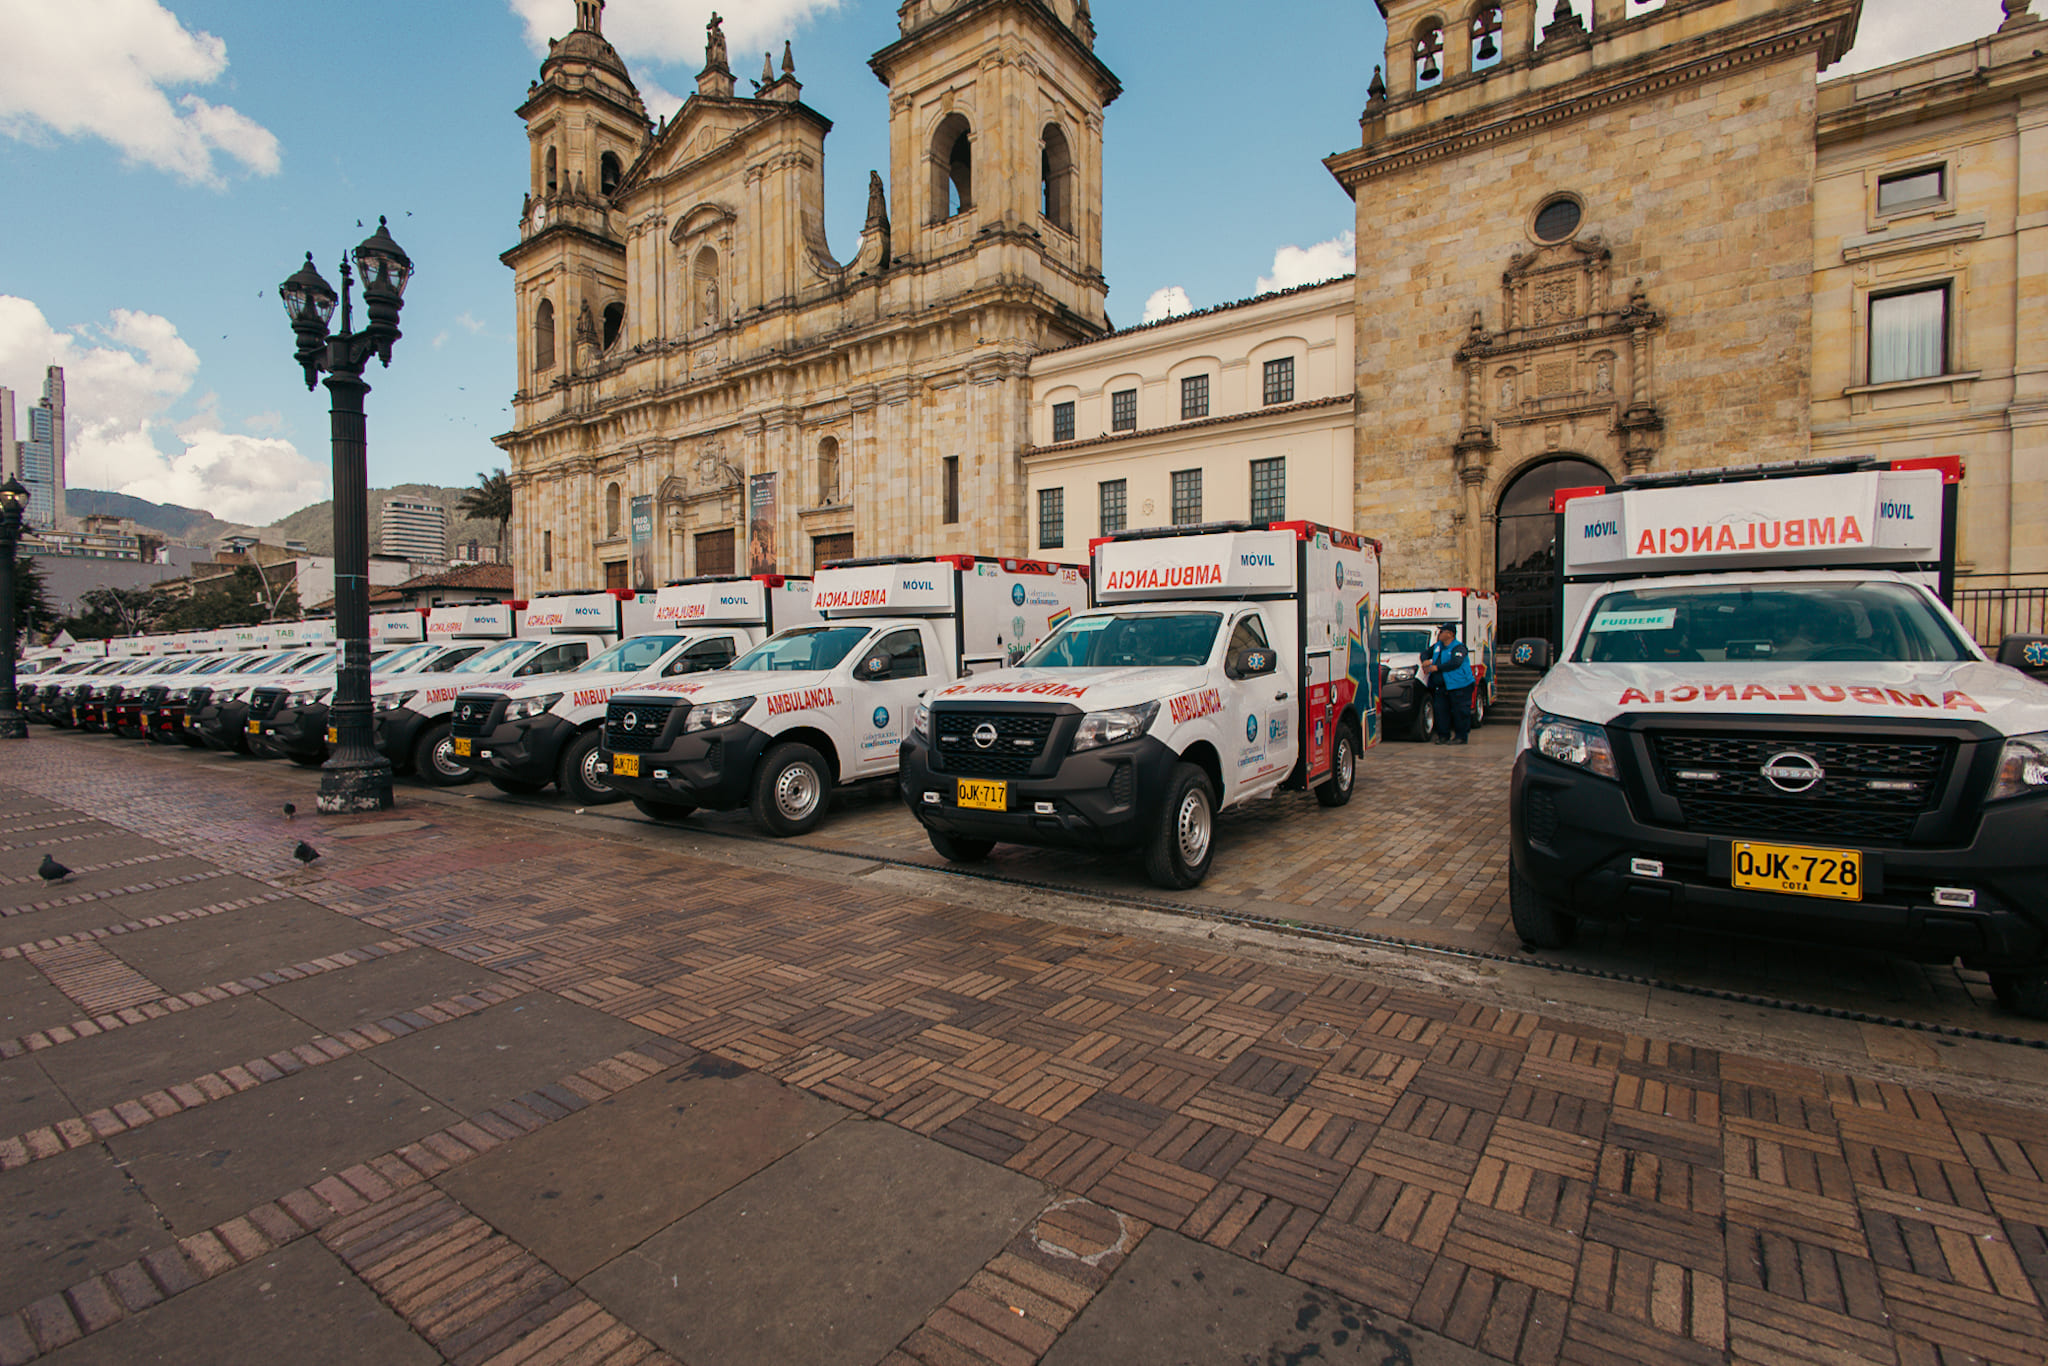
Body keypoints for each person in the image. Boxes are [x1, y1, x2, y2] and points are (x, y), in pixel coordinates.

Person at [1420, 622, 1476, 745]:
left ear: (1450, 634)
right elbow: (1425, 653)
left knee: (1460, 712)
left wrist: (1437, 667)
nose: (1439, 634)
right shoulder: (1437, 646)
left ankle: (1461, 737)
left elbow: (1455, 663)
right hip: (1441, 686)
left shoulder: (1459, 648)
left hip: (1459, 686)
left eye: (1442, 631)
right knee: (1441, 711)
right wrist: (1424, 660)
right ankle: (1443, 736)